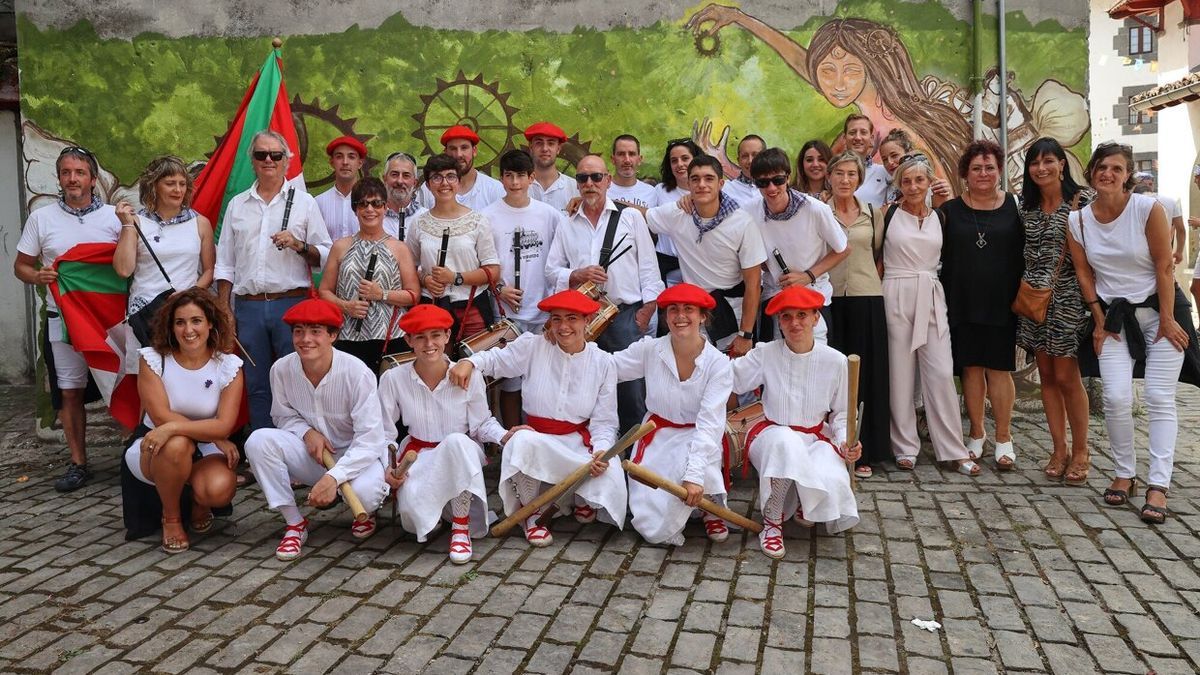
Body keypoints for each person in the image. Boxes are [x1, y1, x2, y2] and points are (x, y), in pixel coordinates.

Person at [1068, 142, 1192, 524]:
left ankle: (1158, 484)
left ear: (1127, 176)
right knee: (1117, 397)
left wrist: (1169, 319)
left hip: (1162, 311)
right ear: (1091, 173)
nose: (1108, 174)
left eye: (1117, 169)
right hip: (1115, 318)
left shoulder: (1147, 209)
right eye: (1102, 167)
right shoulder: (1079, 221)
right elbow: (1084, 273)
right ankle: (1125, 473)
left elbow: (1164, 266)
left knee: (1158, 395)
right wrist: (1097, 318)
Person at [449, 289, 623, 546]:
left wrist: (601, 451)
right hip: (538, 440)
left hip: (577, 444)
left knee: (609, 473)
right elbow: (494, 360)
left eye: (572, 318)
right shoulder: (532, 346)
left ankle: (580, 496)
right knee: (521, 441)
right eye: (556, 319)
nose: (563, 326)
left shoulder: (604, 363)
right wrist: (470, 363)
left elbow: (605, 422)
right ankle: (531, 514)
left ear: (587, 321)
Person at [244, 298, 391, 560]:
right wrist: (306, 432)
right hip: (314, 454)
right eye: (298, 331)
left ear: (333, 335)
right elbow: (282, 415)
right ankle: (294, 523)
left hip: (357, 455)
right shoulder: (281, 369)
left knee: (366, 496)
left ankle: (367, 511)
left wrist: (335, 477)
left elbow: (370, 439)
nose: (305, 339)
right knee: (258, 441)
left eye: (315, 332)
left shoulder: (357, 373)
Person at [14, 146, 122, 491]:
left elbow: (130, 264)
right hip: (63, 320)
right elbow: (21, 266)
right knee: (69, 391)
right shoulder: (41, 219)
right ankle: (78, 463)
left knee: (121, 384)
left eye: (79, 172)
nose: (72, 178)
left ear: (93, 178)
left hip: (109, 322)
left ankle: (136, 456)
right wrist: (37, 277)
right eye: (65, 173)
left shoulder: (113, 218)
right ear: (59, 178)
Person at [732, 286, 862, 558]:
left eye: (802, 315)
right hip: (771, 436)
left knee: (830, 471)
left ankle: (807, 501)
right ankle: (772, 521)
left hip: (816, 436)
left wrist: (845, 442)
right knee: (786, 443)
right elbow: (729, 378)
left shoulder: (837, 361)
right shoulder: (766, 352)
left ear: (816, 318)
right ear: (779, 321)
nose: (794, 323)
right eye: (786, 317)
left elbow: (841, 415)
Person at [214, 130, 331, 430]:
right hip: (249, 306)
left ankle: (299, 448)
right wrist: (224, 308)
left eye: (275, 155)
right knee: (256, 381)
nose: (268, 160)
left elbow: (326, 255)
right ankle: (262, 449)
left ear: (286, 161)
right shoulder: (237, 205)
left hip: (290, 303)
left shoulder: (305, 203)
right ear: (252, 161)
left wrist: (298, 245)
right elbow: (226, 262)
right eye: (261, 155)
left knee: (297, 379)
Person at [378, 304, 512, 564]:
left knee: (456, 441)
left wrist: (506, 437)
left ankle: (460, 526)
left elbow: (481, 423)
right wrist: (389, 466)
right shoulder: (393, 379)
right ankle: (440, 511)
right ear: (408, 340)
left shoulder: (468, 376)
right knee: (414, 523)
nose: (429, 344)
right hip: (419, 455)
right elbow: (383, 432)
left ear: (447, 336)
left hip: (460, 453)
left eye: (436, 335)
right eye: (420, 337)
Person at [547, 154, 662, 432]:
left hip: (624, 316)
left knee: (631, 391)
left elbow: (649, 268)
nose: (590, 183)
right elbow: (552, 271)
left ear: (608, 180)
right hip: (581, 319)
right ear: (577, 184)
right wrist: (578, 275)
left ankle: (633, 458)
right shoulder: (567, 222)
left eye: (596, 177)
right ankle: (592, 452)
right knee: (583, 386)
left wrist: (647, 310)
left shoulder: (631, 217)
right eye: (583, 178)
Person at [881, 154, 980, 475]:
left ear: (929, 182)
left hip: (932, 293)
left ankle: (952, 448)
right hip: (895, 290)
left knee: (939, 371)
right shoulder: (888, 214)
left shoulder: (943, 216)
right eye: (906, 180)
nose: (912, 186)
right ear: (899, 184)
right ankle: (905, 446)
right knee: (899, 373)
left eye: (919, 180)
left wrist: (946, 198)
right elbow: (875, 257)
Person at [613, 283, 732, 545]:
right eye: (673, 310)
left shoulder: (719, 365)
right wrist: (574, 344)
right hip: (656, 436)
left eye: (689, 309)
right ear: (665, 317)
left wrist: (694, 476)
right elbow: (608, 368)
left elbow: (710, 425)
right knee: (651, 529)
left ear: (702, 316)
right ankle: (690, 504)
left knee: (696, 468)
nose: (680, 316)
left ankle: (709, 504)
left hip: (698, 437)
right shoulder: (650, 349)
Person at [125, 289, 243, 552]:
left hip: (207, 447)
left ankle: (200, 503)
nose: (188, 330)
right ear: (171, 326)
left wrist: (209, 433)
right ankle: (172, 518)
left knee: (219, 488)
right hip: (155, 446)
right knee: (176, 443)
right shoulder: (152, 359)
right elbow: (160, 417)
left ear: (210, 323)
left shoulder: (228, 364)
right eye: (180, 322)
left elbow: (224, 424)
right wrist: (211, 433)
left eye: (196, 321)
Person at [939, 141, 1024, 470]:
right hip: (961, 300)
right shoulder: (949, 210)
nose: (984, 173)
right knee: (972, 368)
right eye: (977, 168)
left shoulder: (1014, 207)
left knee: (999, 369)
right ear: (965, 174)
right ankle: (977, 433)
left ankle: (1004, 437)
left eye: (990, 167)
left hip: (1002, 302)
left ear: (999, 170)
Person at [1016, 137, 1093, 483]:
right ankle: (1058, 448)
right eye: (1035, 163)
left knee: (1066, 375)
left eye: (1049, 161)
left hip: (1068, 299)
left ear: (1062, 164)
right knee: (1045, 374)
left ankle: (1081, 450)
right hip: (1032, 298)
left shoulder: (1082, 202)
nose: (1042, 168)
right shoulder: (1026, 207)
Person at [646, 155, 765, 356]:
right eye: (695, 179)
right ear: (688, 184)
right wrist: (598, 200)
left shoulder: (742, 222)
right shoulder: (678, 214)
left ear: (721, 183)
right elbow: (641, 215)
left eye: (708, 178)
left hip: (732, 311)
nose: (702, 184)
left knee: (733, 378)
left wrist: (746, 334)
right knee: (694, 375)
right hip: (693, 311)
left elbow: (753, 283)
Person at [482, 149, 564, 427]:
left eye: (520, 176)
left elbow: (560, 258)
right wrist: (500, 288)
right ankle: (512, 437)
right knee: (510, 381)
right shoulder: (488, 216)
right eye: (508, 176)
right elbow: (482, 261)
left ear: (532, 178)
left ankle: (545, 434)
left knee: (544, 378)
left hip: (543, 312)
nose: (515, 182)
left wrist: (554, 306)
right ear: (501, 179)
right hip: (506, 314)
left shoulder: (549, 215)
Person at [113, 155, 214, 370]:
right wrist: (127, 226)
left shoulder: (200, 223)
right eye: (170, 183)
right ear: (154, 186)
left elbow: (209, 271)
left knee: (184, 376)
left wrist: (190, 294)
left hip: (185, 315)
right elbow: (123, 269)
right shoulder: (137, 221)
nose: (177, 190)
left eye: (182, 184)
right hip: (145, 313)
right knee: (148, 382)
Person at [826, 151, 890, 479]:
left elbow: (878, 253)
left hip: (867, 298)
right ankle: (833, 446)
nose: (845, 180)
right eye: (839, 173)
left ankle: (868, 447)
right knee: (835, 377)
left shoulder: (872, 214)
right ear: (830, 176)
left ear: (859, 178)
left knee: (868, 376)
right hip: (832, 299)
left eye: (851, 174)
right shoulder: (820, 213)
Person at [318, 177, 421, 373]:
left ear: (385, 207)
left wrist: (381, 294)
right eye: (362, 204)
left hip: (392, 338)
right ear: (355, 209)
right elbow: (324, 291)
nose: (369, 209)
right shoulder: (340, 246)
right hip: (348, 336)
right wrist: (346, 306)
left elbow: (413, 295)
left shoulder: (399, 248)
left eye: (376, 203)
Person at [749, 147, 848, 344]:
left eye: (777, 180)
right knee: (776, 367)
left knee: (814, 363)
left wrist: (807, 276)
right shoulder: (749, 210)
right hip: (775, 296)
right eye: (763, 182)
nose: (771, 188)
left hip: (813, 296)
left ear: (788, 177)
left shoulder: (815, 209)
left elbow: (843, 249)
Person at [408, 154, 502, 342]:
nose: (444, 183)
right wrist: (426, 279)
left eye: (451, 176)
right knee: (437, 366)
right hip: (433, 307)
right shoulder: (418, 223)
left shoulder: (477, 220)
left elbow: (493, 271)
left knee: (475, 365)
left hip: (472, 306)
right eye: (437, 177)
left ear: (458, 182)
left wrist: (455, 278)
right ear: (427, 185)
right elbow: (410, 268)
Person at [652, 139, 704, 287]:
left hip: (699, 269)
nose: (679, 164)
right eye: (674, 161)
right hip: (666, 268)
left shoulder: (709, 190)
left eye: (685, 158)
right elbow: (646, 215)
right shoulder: (659, 190)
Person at [418, 125, 505, 210]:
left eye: (464, 148)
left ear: (474, 151)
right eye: (453, 149)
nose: (459, 154)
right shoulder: (429, 189)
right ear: (445, 152)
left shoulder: (494, 188)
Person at [314, 136, 368, 241]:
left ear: (360, 163)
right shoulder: (318, 203)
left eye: (351, 157)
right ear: (332, 163)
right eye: (339, 157)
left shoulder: (372, 203)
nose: (345, 162)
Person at [525, 122, 579, 210]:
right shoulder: (518, 186)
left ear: (558, 149)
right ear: (531, 147)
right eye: (539, 143)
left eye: (550, 143)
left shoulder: (575, 188)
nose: (545, 149)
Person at [380, 151, 426, 241]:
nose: (400, 181)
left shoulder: (425, 218)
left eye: (406, 175)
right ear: (384, 179)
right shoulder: (371, 216)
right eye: (394, 175)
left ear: (415, 183)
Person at [607, 134, 658, 210]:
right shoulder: (602, 190)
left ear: (639, 159)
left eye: (632, 154)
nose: (627, 160)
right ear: (613, 159)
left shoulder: (651, 192)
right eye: (621, 154)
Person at [721, 134, 766, 204]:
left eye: (755, 155)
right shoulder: (725, 190)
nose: (750, 161)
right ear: (738, 161)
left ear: (765, 158)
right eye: (745, 156)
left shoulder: (776, 187)